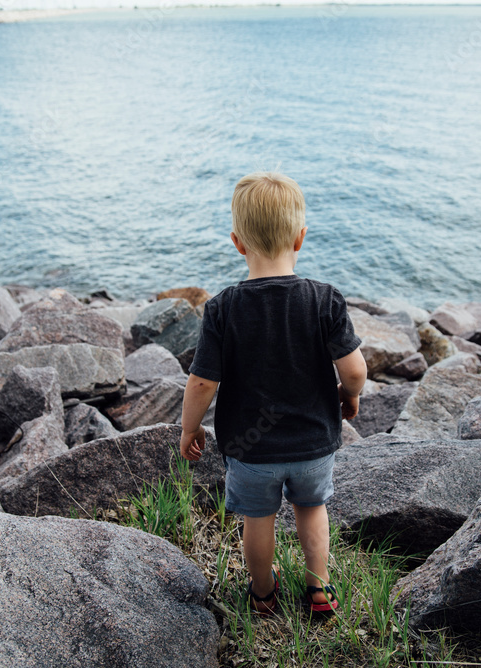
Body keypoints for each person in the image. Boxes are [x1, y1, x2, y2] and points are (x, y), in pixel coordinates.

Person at [179, 171, 368, 616]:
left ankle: (263, 594)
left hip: (249, 448)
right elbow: (355, 370)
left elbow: (204, 382)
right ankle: (319, 589)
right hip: (313, 443)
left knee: (257, 520)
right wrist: (349, 396)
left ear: (238, 243)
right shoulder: (325, 300)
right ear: (300, 238)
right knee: (311, 510)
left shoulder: (223, 308)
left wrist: (190, 427)